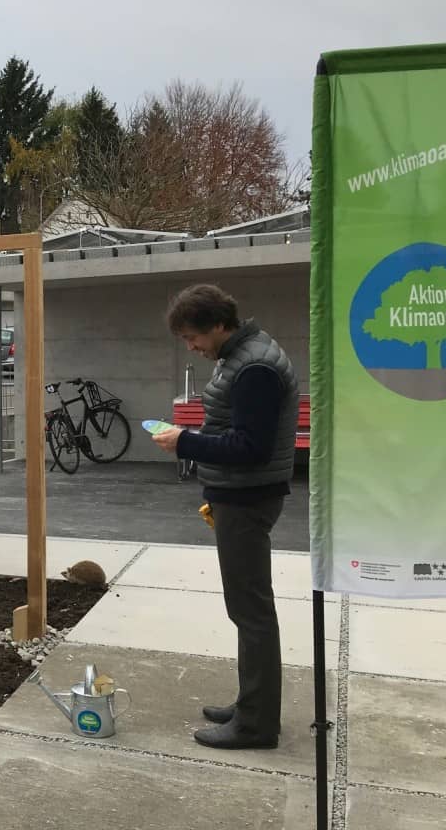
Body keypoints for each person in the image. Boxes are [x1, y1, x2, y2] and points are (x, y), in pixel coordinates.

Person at [152, 284, 298, 751]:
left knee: (251, 612)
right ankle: (252, 704)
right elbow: (236, 431)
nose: (190, 346)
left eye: (193, 337)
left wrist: (185, 442)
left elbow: (250, 448)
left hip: (247, 498)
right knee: (248, 610)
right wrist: (193, 437)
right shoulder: (244, 356)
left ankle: (256, 724)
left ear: (218, 324)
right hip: (239, 496)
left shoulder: (254, 367)